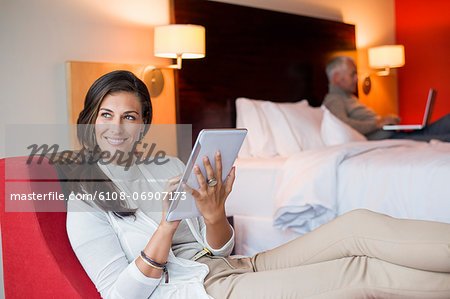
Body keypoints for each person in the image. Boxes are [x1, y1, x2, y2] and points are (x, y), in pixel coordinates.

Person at [65, 70, 450, 299]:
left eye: (129, 116)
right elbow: (119, 295)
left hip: (232, 266)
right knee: (357, 272)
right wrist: (167, 224)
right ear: (90, 120)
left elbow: (217, 249)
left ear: (144, 122)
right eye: (106, 115)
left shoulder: (167, 164)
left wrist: (215, 214)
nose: (117, 127)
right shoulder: (85, 200)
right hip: (203, 292)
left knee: (358, 225)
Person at [323, 55, 450, 141]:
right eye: (353, 74)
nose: (357, 78)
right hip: (389, 139)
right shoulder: (334, 100)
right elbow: (344, 125)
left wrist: (384, 122)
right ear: (337, 78)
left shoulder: (349, 97)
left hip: (393, 134)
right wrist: (378, 124)